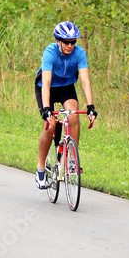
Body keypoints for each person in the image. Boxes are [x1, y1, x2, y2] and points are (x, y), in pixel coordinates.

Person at [35, 21, 97, 189]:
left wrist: (90, 105)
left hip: (66, 87)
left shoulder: (79, 53)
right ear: (58, 41)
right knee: (51, 125)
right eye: (66, 42)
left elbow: (84, 80)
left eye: (73, 42)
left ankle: (72, 160)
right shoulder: (50, 52)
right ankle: (40, 167)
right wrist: (47, 109)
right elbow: (46, 82)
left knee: (73, 115)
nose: (70, 45)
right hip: (46, 88)